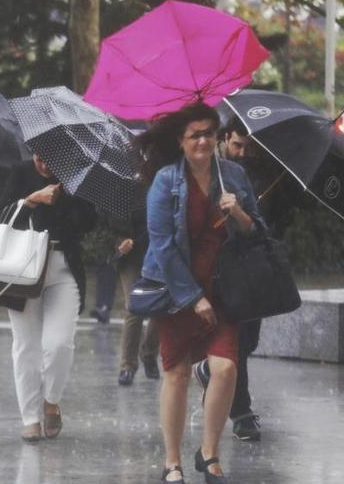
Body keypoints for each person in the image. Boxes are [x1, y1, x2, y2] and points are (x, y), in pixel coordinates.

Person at [138, 103, 263, 484]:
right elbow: (161, 245)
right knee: (175, 373)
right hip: (177, 290)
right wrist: (192, 297)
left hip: (225, 288)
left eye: (210, 132)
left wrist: (239, 213)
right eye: (196, 134)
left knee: (226, 367)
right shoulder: (165, 180)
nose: (204, 140)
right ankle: (171, 461)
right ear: (181, 140)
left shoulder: (235, 176)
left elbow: (258, 233)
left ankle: (208, 453)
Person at [191, 118, 309, 441]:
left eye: (248, 147)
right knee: (237, 342)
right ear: (224, 140)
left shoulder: (267, 171)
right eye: (236, 145)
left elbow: (278, 217)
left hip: (255, 263)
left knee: (249, 339)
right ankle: (241, 412)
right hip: (220, 267)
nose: (242, 152)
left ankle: (208, 370)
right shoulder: (213, 171)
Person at [0, 154, 96, 442]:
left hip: (63, 266)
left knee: (59, 343)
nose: (43, 165)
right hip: (21, 268)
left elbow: (88, 222)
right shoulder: (19, 172)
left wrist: (65, 197)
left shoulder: (75, 175)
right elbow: (1, 218)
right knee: (25, 345)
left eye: (50, 159)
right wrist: (32, 200)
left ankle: (51, 400)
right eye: (38, 158)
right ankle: (30, 416)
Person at [114, 210, 160, 386]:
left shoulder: (162, 185)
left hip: (158, 253)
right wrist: (118, 244)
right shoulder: (119, 191)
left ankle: (149, 353)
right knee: (134, 307)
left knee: (160, 307)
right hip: (131, 257)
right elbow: (104, 228)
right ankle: (128, 365)